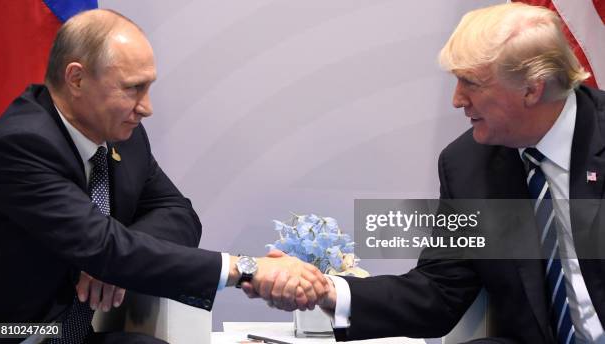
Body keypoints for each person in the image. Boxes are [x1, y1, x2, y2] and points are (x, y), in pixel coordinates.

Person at [249, 3, 605, 343]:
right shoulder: (469, 165)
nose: (457, 99)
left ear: (531, 88)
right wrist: (328, 291)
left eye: (471, 83)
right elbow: (440, 291)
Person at [0, 9, 327, 344]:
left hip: (76, 334)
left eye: (148, 87)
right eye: (133, 88)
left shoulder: (123, 135)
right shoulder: (22, 144)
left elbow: (179, 214)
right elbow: (103, 246)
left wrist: (116, 261)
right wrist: (246, 269)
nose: (146, 107)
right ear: (77, 79)